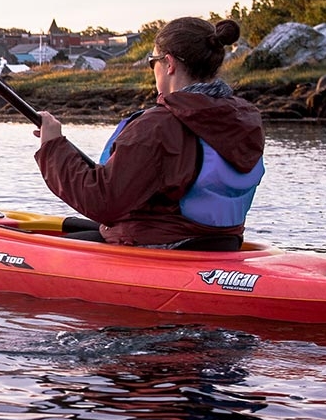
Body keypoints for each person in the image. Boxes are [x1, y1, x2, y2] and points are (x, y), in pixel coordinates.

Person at [32, 17, 265, 251]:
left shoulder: (158, 127)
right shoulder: (243, 119)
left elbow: (102, 201)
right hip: (220, 244)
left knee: (42, 250)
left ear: (169, 63)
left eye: (152, 60)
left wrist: (52, 147)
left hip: (161, 246)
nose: (153, 68)